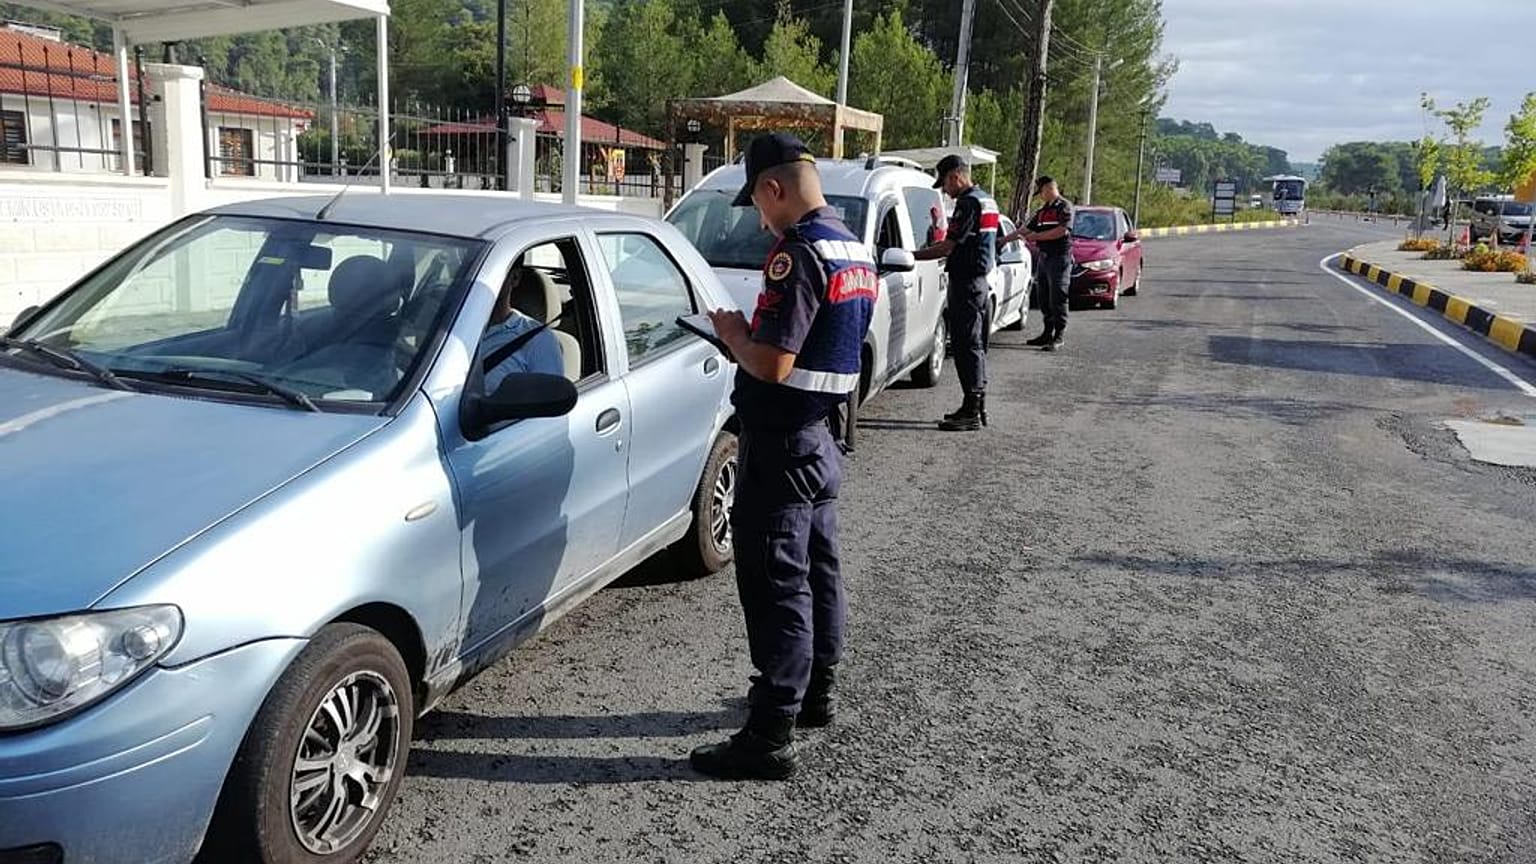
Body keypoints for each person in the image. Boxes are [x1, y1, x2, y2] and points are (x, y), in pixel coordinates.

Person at [693, 133, 876, 780]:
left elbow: (772, 362)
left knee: (776, 586)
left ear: (774, 189)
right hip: (822, 436)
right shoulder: (852, 247)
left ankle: (769, 734)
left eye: (759, 206)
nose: (762, 220)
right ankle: (816, 692)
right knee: (819, 571)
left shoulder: (796, 255)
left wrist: (732, 332)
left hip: (782, 442)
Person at [915, 153, 1001, 432]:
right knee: (974, 344)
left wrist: (911, 255)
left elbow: (947, 246)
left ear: (956, 176)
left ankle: (972, 409)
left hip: (967, 282)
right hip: (978, 280)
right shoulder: (987, 198)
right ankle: (975, 405)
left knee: (966, 346)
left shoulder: (968, 203)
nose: (946, 192)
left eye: (946, 185)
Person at [1010, 176, 1074, 351]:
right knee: (1043, 296)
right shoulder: (1042, 211)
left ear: (1048, 188)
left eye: (1041, 192)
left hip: (1059, 257)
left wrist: (1036, 237)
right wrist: (1003, 239)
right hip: (1044, 258)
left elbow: (1062, 230)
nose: (1040, 196)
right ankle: (1047, 332)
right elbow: (1025, 229)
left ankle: (1058, 336)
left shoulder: (1064, 207)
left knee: (1058, 296)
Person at [481, 265, 565, 392]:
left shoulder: (538, 340)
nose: (479, 280)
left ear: (514, 278)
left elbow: (549, 404)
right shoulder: (448, 329)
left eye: (488, 271)